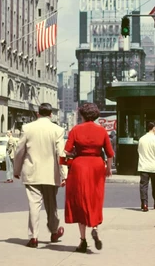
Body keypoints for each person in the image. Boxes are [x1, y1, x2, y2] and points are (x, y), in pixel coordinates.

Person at [13, 103, 68, 248]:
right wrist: (64, 174)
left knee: (34, 206)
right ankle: (54, 231)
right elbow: (60, 154)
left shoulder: (27, 128)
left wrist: (16, 170)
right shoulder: (58, 130)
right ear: (51, 114)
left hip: (31, 172)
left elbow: (19, 151)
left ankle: (34, 237)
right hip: (51, 173)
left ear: (38, 114)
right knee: (52, 205)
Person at [64, 103, 114, 253]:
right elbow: (110, 153)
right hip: (97, 165)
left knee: (80, 200)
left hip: (80, 166)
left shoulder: (76, 130)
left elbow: (66, 151)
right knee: (95, 198)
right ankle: (95, 227)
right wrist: (108, 169)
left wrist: (74, 154)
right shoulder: (102, 131)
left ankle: (83, 240)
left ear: (82, 115)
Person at [137, 121, 155, 212]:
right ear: (153, 128)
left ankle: (144, 204)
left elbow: (139, 151)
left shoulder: (141, 139)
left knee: (143, 186)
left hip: (143, 166)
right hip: (154, 166)